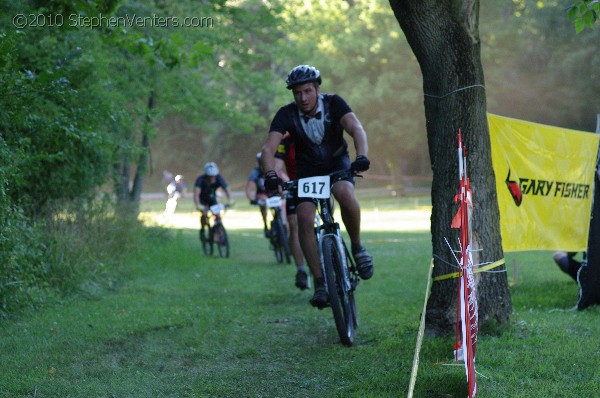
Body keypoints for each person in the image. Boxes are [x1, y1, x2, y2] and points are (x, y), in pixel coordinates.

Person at [261, 64, 374, 309]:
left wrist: (361, 155)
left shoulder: (334, 103)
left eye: (307, 91)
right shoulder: (286, 113)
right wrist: (270, 174)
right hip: (308, 170)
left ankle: (357, 246)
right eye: (297, 93)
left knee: (344, 193)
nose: (302, 97)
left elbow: (356, 128)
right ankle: (320, 282)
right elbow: (269, 149)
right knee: (303, 217)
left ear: (317, 89)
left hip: (337, 163)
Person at [275, 132, 309, 290]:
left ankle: (334, 250)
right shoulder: (286, 141)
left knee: (328, 217)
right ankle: (301, 270)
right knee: (294, 225)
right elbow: (277, 162)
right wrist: (275, 178)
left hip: (318, 181)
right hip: (296, 186)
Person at [194, 162, 234, 236]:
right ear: (206, 175)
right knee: (204, 214)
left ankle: (219, 232)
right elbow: (196, 194)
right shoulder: (200, 179)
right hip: (202, 199)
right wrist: (198, 204)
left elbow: (227, 189)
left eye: (213, 176)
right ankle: (203, 229)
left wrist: (230, 199)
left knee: (217, 214)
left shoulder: (218, 177)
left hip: (212, 198)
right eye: (210, 176)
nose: (212, 177)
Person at [245, 153, 270, 238]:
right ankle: (266, 225)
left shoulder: (273, 169)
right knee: (263, 201)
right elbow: (249, 187)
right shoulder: (255, 172)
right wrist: (251, 199)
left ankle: (283, 224)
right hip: (262, 193)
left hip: (273, 193)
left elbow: (283, 177)